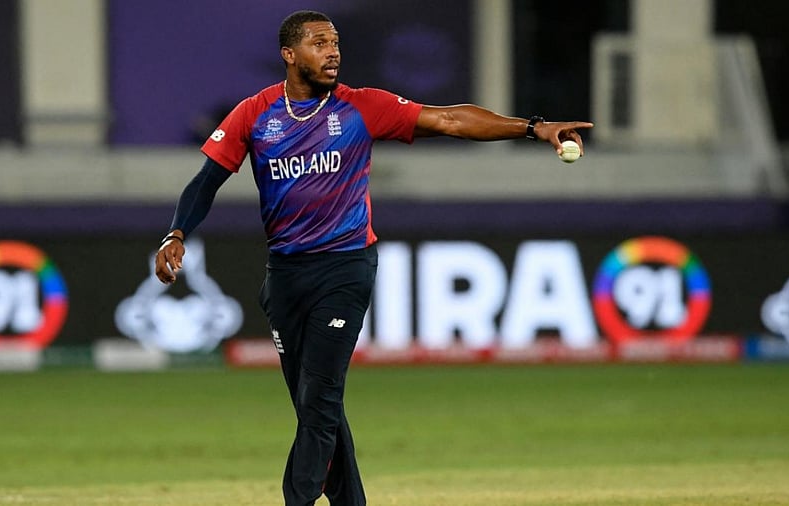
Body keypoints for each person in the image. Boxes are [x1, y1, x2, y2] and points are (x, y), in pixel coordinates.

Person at [154, 9, 592, 506]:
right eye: (319, 43)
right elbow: (207, 178)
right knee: (313, 406)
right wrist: (177, 232)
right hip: (285, 275)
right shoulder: (255, 114)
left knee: (319, 399)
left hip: (345, 267)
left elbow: (449, 118)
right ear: (290, 55)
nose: (333, 51)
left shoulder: (361, 107)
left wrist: (533, 128)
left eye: (335, 42)